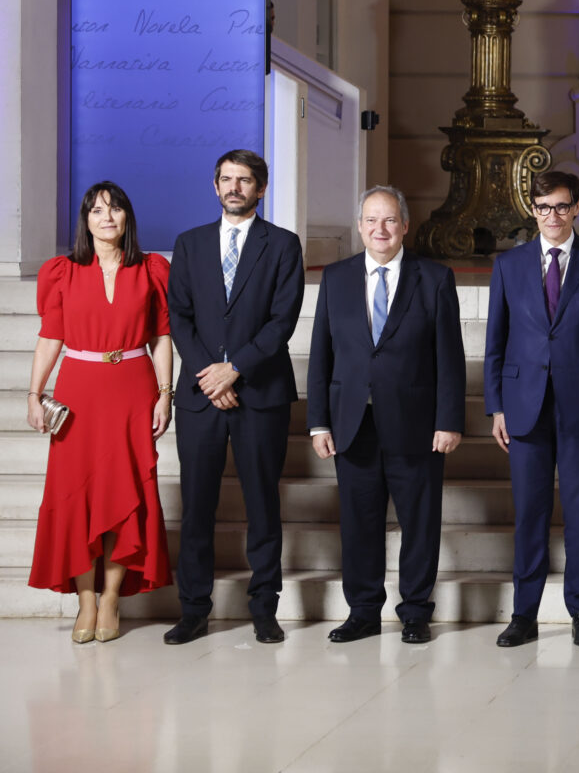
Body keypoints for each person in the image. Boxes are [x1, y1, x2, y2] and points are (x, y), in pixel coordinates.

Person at [306, 186, 466, 644]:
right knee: (359, 523)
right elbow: (322, 355)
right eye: (372, 220)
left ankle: (415, 611)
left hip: (416, 423)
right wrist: (319, 421)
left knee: (420, 522)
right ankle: (363, 611)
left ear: (405, 226)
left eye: (390, 220)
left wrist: (449, 419)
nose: (380, 229)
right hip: (351, 423)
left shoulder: (434, 278)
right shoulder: (335, 278)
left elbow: (449, 358)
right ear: (359, 226)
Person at [486, 171, 579, 648]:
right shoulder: (508, 266)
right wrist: (496, 407)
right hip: (524, 408)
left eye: (562, 206)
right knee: (529, 515)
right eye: (544, 206)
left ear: (576, 208)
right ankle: (523, 614)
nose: (553, 215)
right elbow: (496, 343)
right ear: (533, 208)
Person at [165, 151, 304, 645]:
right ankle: (194, 609)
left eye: (244, 180)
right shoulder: (189, 243)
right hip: (201, 396)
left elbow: (282, 322)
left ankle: (264, 608)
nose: (234, 187)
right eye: (226, 179)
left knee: (262, 504)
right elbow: (178, 316)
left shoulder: (283, 245)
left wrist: (235, 369)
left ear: (260, 189)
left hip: (259, 393)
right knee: (196, 506)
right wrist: (210, 376)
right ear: (215, 186)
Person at [26, 182, 173, 642]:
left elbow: (162, 336)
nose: (105, 217)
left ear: (127, 217)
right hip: (78, 391)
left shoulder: (152, 269)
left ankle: (110, 599)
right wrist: (35, 393)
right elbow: (51, 336)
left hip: (132, 387)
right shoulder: (62, 272)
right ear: (85, 221)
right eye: (95, 210)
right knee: (76, 496)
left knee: (122, 492)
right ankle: (84, 601)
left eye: (114, 209)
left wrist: (165, 393)